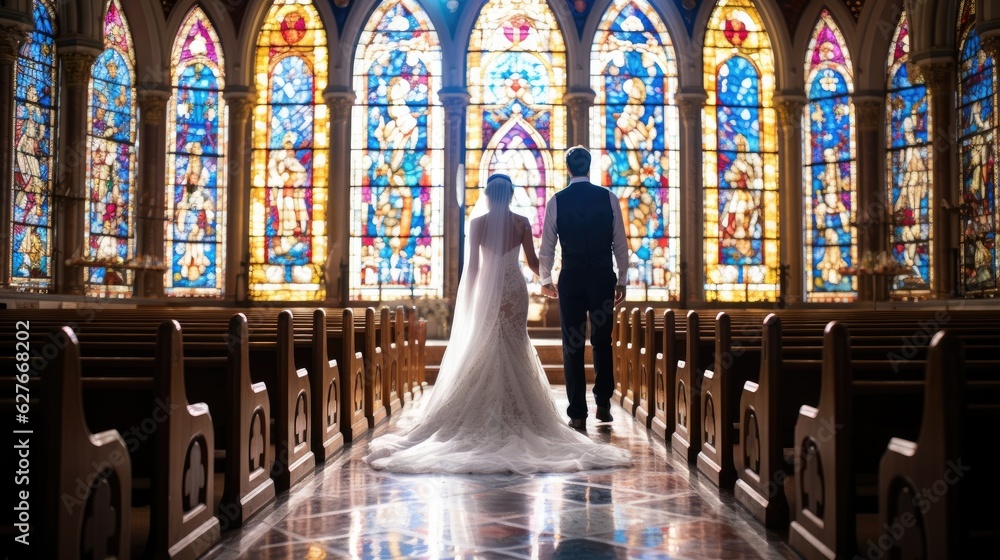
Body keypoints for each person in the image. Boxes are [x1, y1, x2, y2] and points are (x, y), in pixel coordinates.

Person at [364, 173, 632, 473]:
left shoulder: (477, 224)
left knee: (488, 340)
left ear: (489, 195)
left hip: (490, 290)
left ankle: (487, 407)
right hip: (515, 288)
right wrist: (547, 281)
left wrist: (476, 294)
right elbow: (531, 260)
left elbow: (475, 267)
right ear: (511, 195)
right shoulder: (520, 222)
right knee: (515, 342)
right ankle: (523, 411)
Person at [539, 146, 629, 430]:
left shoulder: (557, 201)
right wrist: (622, 279)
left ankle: (577, 412)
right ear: (589, 167)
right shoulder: (609, 198)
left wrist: (545, 281)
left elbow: (547, 248)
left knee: (572, 344)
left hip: (572, 279)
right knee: (602, 341)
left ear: (568, 169)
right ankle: (603, 403)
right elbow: (620, 243)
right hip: (602, 277)